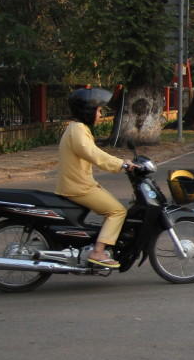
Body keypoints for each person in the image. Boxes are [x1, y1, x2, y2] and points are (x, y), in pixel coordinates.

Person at [55, 88, 136, 268]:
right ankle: (98, 252)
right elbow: (93, 154)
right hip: (78, 187)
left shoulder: (77, 128)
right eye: (98, 111)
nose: (100, 114)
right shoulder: (77, 129)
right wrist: (121, 164)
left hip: (79, 184)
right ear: (88, 111)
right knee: (117, 211)